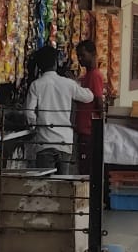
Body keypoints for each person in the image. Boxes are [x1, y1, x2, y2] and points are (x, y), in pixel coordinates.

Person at [24, 45, 94, 174]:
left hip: (44, 142)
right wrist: (79, 82)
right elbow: (89, 97)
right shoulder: (68, 83)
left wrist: (34, 127)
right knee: (62, 182)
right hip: (64, 142)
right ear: (56, 63)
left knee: (45, 183)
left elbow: (29, 112)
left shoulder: (36, 85)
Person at [75, 40, 104, 175]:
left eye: (83, 55)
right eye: (78, 56)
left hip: (89, 131)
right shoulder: (86, 76)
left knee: (86, 169)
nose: (80, 59)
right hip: (84, 130)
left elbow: (99, 102)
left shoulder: (94, 76)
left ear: (92, 54)